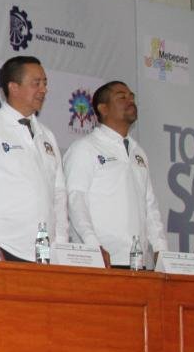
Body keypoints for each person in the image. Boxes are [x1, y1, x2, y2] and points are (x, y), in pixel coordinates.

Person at [0, 56, 68, 261]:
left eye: (45, 83)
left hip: (48, 253)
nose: (44, 90)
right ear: (13, 87)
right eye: (36, 83)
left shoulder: (47, 135)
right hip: (6, 247)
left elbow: (59, 195)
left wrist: (62, 246)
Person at [63, 81, 167, 268]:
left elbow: (150, 206)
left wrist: (161, 249)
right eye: (121, 97)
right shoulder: (85, 148)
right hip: (101, 260)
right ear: (103, 108)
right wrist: (93, 245)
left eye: (131, 97)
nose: (130, 101)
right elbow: (75, 200)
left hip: (138, 262)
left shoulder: (138, 152)